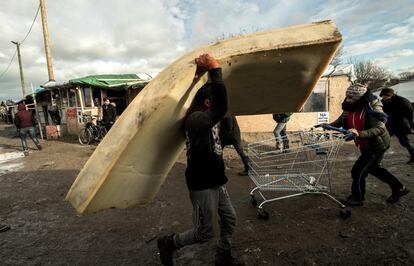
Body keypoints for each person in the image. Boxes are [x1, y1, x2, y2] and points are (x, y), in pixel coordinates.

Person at [157, 54, 243, 266]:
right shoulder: (195, 120)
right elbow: (221, 108)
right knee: (205, 232)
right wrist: (214, 70)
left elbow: (221, 132)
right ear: (207, 103)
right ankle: (169, 242)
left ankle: (223, 256)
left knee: (230, 219)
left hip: (216, 180)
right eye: (214, 104)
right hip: (202, 183)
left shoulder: (210, 118)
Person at [329, 84, 409, 206]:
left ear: (360, 98)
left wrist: (359, 133)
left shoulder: (373, 107)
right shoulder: (350, 106)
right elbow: (342, 120)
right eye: (347, 97)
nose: (348, 100)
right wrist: (328, 125)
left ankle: (357, 198)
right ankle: (399, 188)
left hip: (376, 145)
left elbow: (380, 128)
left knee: (358, 171)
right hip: (364, 144)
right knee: (373, 168)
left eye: (351, 98)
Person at [380, 88, 414, 164]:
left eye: (386, 95)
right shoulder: (384, 102)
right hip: (390, 124)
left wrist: (411, 126)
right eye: (383, 95)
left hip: (401, 124)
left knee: (404, 142)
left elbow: (410, 113)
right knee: (383, 139)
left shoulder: (402, 101)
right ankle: (376, 158)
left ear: (391, 94)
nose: (384, 97)